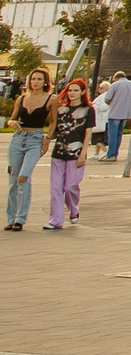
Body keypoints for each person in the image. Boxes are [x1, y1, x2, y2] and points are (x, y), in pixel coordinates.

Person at [45, 76, 93, 229]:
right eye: (70, 90)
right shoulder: (61, 110)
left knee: (71, 186)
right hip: (59, 152)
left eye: (75, 90)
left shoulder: (88, 109)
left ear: (82, 92)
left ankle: (74, 209)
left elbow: (88, 133)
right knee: (56, 188)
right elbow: (54, 129)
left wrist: (83, 154)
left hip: (76, 153)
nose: (72, 93)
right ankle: (56, 220)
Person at [8, 66, 51, 231]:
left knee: (23, 177)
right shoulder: (21, 99)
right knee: (13, 179)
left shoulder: (50, 99)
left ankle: (20, 219)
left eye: (39, 79)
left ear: (45, 81)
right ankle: (11, 218)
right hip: (18, 140)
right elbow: (12, 119)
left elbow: (53, 121)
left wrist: (47, 137)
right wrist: (12, 123)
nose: (36, 82)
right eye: (33, 79)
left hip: (35, 139)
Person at [98, 72, 131, 161]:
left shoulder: (115, 85)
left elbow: (107, 99)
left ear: (116, 78)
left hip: (115, 112)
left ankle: (111, 154)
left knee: (112, 134)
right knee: (119, 134)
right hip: (126, 113)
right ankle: (115, 153)